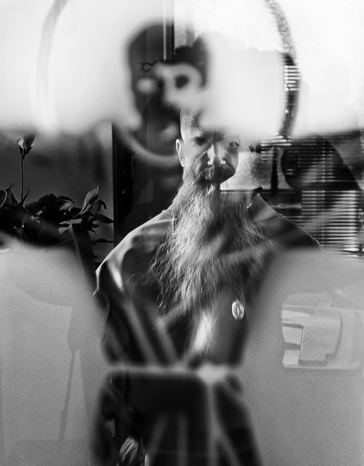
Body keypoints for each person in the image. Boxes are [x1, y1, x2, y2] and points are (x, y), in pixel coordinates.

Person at [94, 109, 319, 464]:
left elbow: (327, 394)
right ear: (182, 152)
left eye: (231, 142)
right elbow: (102, 407)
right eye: (202, 141)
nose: (217, 159)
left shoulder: (300, 257)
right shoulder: (128, 266)